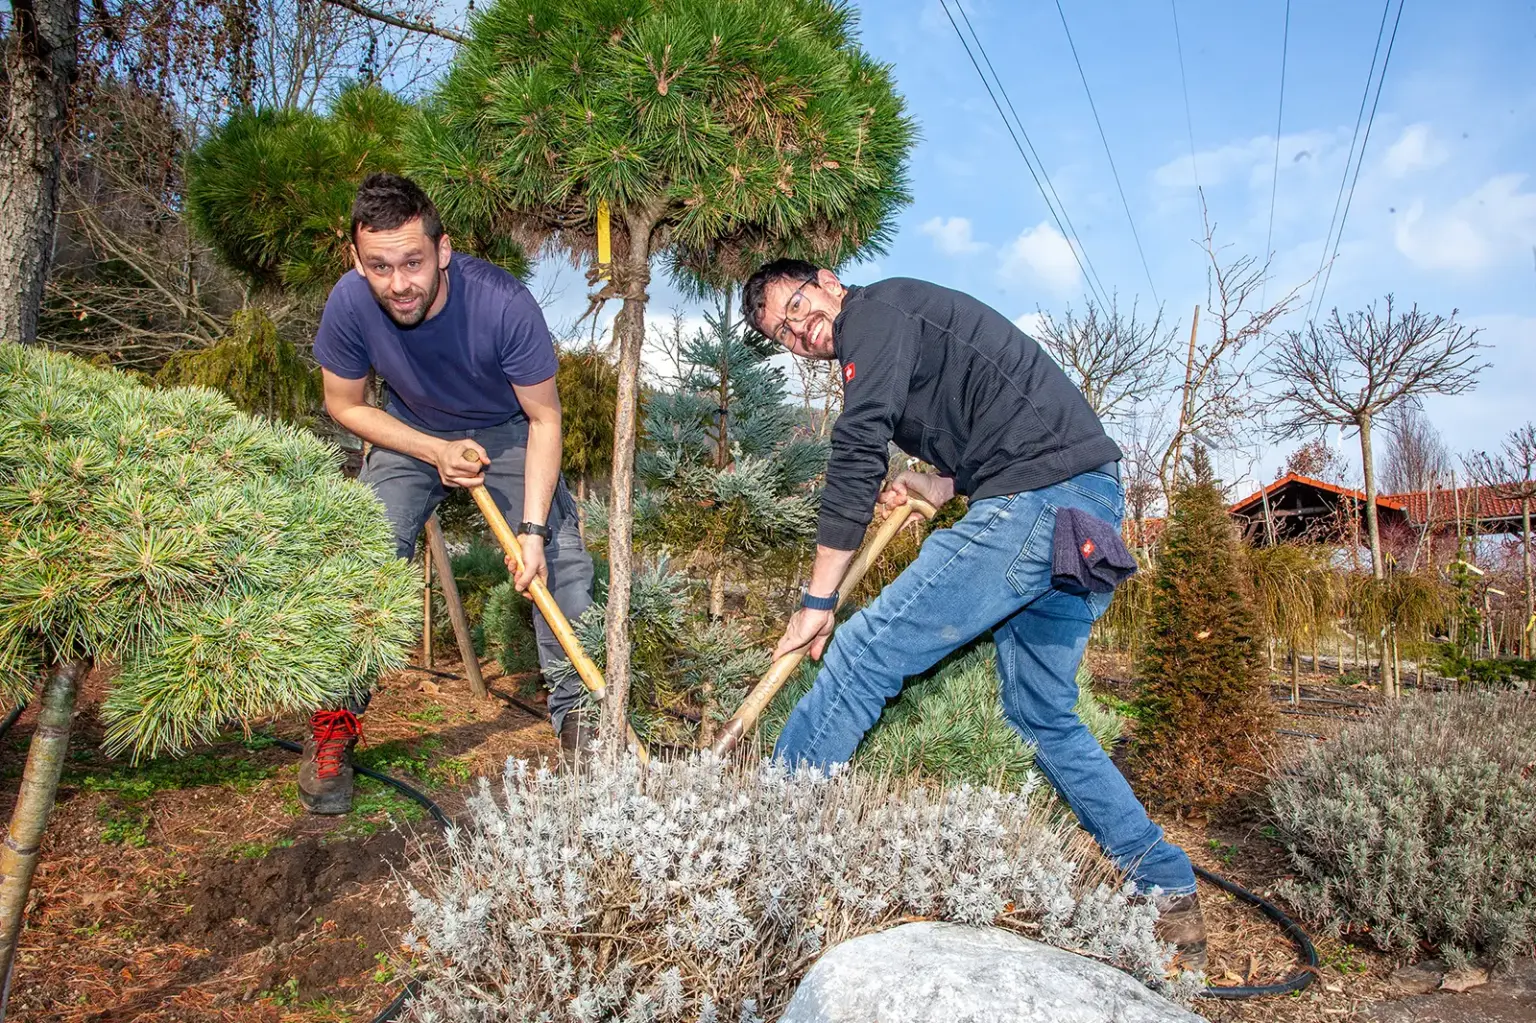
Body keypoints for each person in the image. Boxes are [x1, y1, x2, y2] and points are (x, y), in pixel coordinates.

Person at [742, 258, 1208, 970]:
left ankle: (764, 854)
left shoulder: (876, 310)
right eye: (785, 332)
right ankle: (1167, 884)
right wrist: (938, 479)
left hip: (1040, 500)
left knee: (862, 651)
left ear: (830, 281)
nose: (801, 328)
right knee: (1042, 712)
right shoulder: (904, 327)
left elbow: (858, 446)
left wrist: (817, 601)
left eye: (798, 303)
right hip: (1084, 506)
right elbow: (1003, 422)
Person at [304, 172, 596, 814]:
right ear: (358, 260)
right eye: (379, 266)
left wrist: (534, 532)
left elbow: (546, 419)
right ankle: (333, 729)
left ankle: (582, 728)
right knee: (366, 564)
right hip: (410, 429)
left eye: (413, 261)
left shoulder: (501, 303)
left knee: (563, 563)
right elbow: (344, 405)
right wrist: (432, 450)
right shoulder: (350, 304)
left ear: (443, 250)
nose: (398, 283)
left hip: (510, 430)